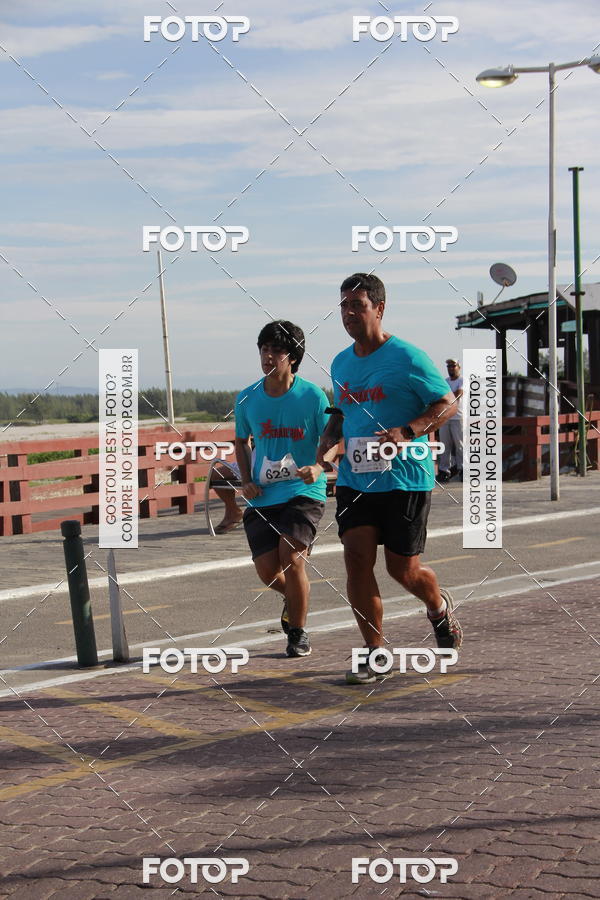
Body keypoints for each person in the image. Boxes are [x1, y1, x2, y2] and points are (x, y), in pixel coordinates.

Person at [317, 273, 463, 684]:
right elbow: (342, 415)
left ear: (379, 309)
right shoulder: (341, 362)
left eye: (356, 306)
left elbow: (446, 404)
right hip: (356, 479)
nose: (347, 314)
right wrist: (328, 443)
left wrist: (406, 432)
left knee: (403, 571)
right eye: (342, 306)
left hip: (405, 478)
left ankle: (437, 606)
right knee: (357, 558)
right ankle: (375, 652)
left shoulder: (408, 358)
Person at [235, 320, 328, 657]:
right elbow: (241, 441)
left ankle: (298, 633)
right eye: (264, 349)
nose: (268, 356)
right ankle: (295, 600)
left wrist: (319, 465)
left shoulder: (312, 396)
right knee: (267, 573)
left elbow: (331, 437)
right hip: (263, 495)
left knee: (292, 559)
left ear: (293, 357)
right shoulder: (247, 398)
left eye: (276, 350)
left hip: (305, 491)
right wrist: (245, 479)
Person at [437, 358, 463, 483]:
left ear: (459, 367)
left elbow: (458, 393)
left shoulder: (462, 380)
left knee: (460, 445)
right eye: (449, 366)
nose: (451, 369)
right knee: (445, 445)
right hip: (446, 416)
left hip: (458, 416)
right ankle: (444, 470)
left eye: (453, 366)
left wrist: (446, 397)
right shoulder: (445, 381)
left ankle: (463, 469)